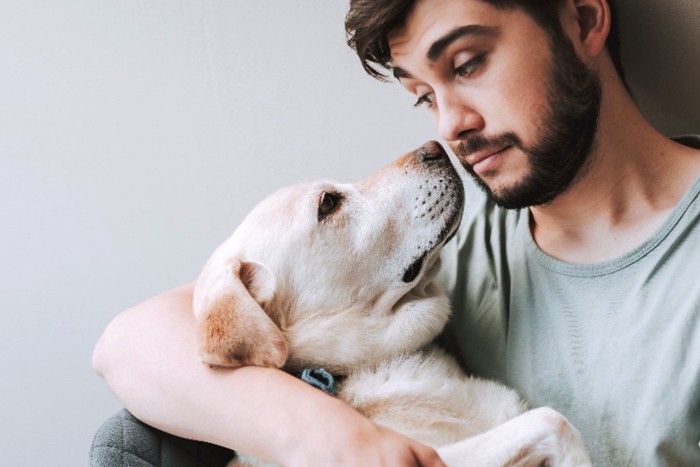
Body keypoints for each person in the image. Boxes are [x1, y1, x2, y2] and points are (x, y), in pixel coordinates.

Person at [92, 0, 700, 465]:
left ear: (584, 20)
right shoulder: (451, 235)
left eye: (467, 64)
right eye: (423, 95)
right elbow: (129, 345)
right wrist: (331, 436)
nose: (451, 125)